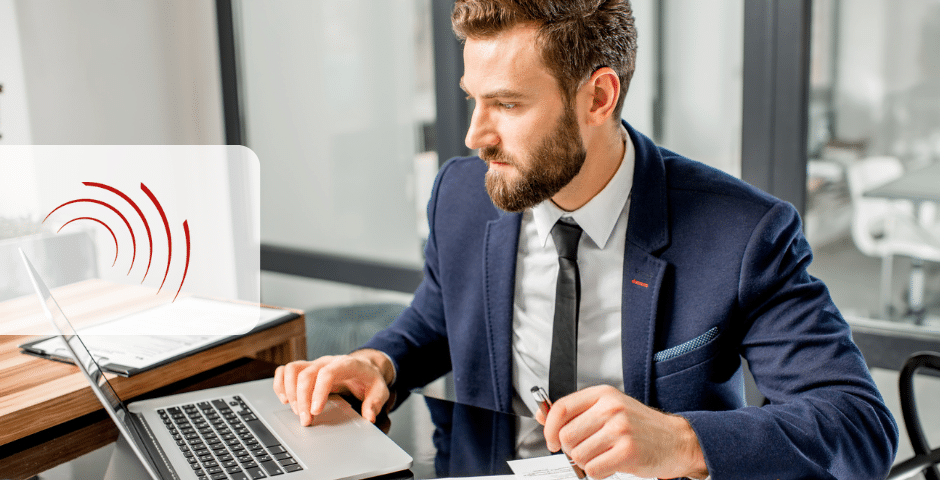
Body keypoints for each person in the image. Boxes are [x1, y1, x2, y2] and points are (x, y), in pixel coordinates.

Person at [274, 1, 899, 478]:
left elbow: (858, 425)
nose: (474, 136)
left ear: (599, 96)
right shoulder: (462, 195)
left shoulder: (741, 233)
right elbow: (439, 314)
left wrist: (682, 440)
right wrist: (378, 361)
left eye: (508, 105)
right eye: (474, 100)